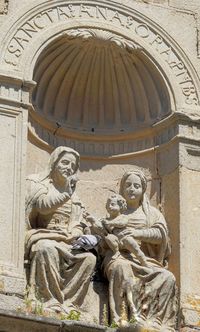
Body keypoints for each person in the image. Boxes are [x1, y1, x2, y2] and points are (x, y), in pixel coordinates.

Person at [102, 170, 178, 331]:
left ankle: (153, 319)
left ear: (143, 190)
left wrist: (137, 233)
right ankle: (123, 317)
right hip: (120, 257)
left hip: (145, 260)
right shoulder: (116, 211)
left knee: (167, 277)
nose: (132, 189)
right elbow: (104, 234)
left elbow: (161, 235)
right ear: (122, 188)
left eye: (136, 186)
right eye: (128, 185)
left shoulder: (151, 214)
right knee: (121, 269)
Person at [25, 146, 96, 313]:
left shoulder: (75, 198)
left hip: (67, 240)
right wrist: (66, 194)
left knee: (89, 259)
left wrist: (77, 233)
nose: (69, 168)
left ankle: (69, 303)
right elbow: (42, 207)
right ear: (54, 163)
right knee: (45, 248)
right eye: (64, 163)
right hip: (45, 234)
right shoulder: (42, 186)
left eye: (72, 166)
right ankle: (49, 299)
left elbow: (77, 222)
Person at [87, 194, 149, 267]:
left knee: (135, 249)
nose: (110, 207)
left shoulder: (123, 217)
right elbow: (100, 228)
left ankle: (143, 261)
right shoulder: (105, 220)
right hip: (116, 241)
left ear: (120, 206)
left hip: (125, 238)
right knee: (108, 237)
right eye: (108, 205)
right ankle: (116, 252)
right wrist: (92, 220)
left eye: (113, 204)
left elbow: (122, 223)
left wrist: (111, 223)